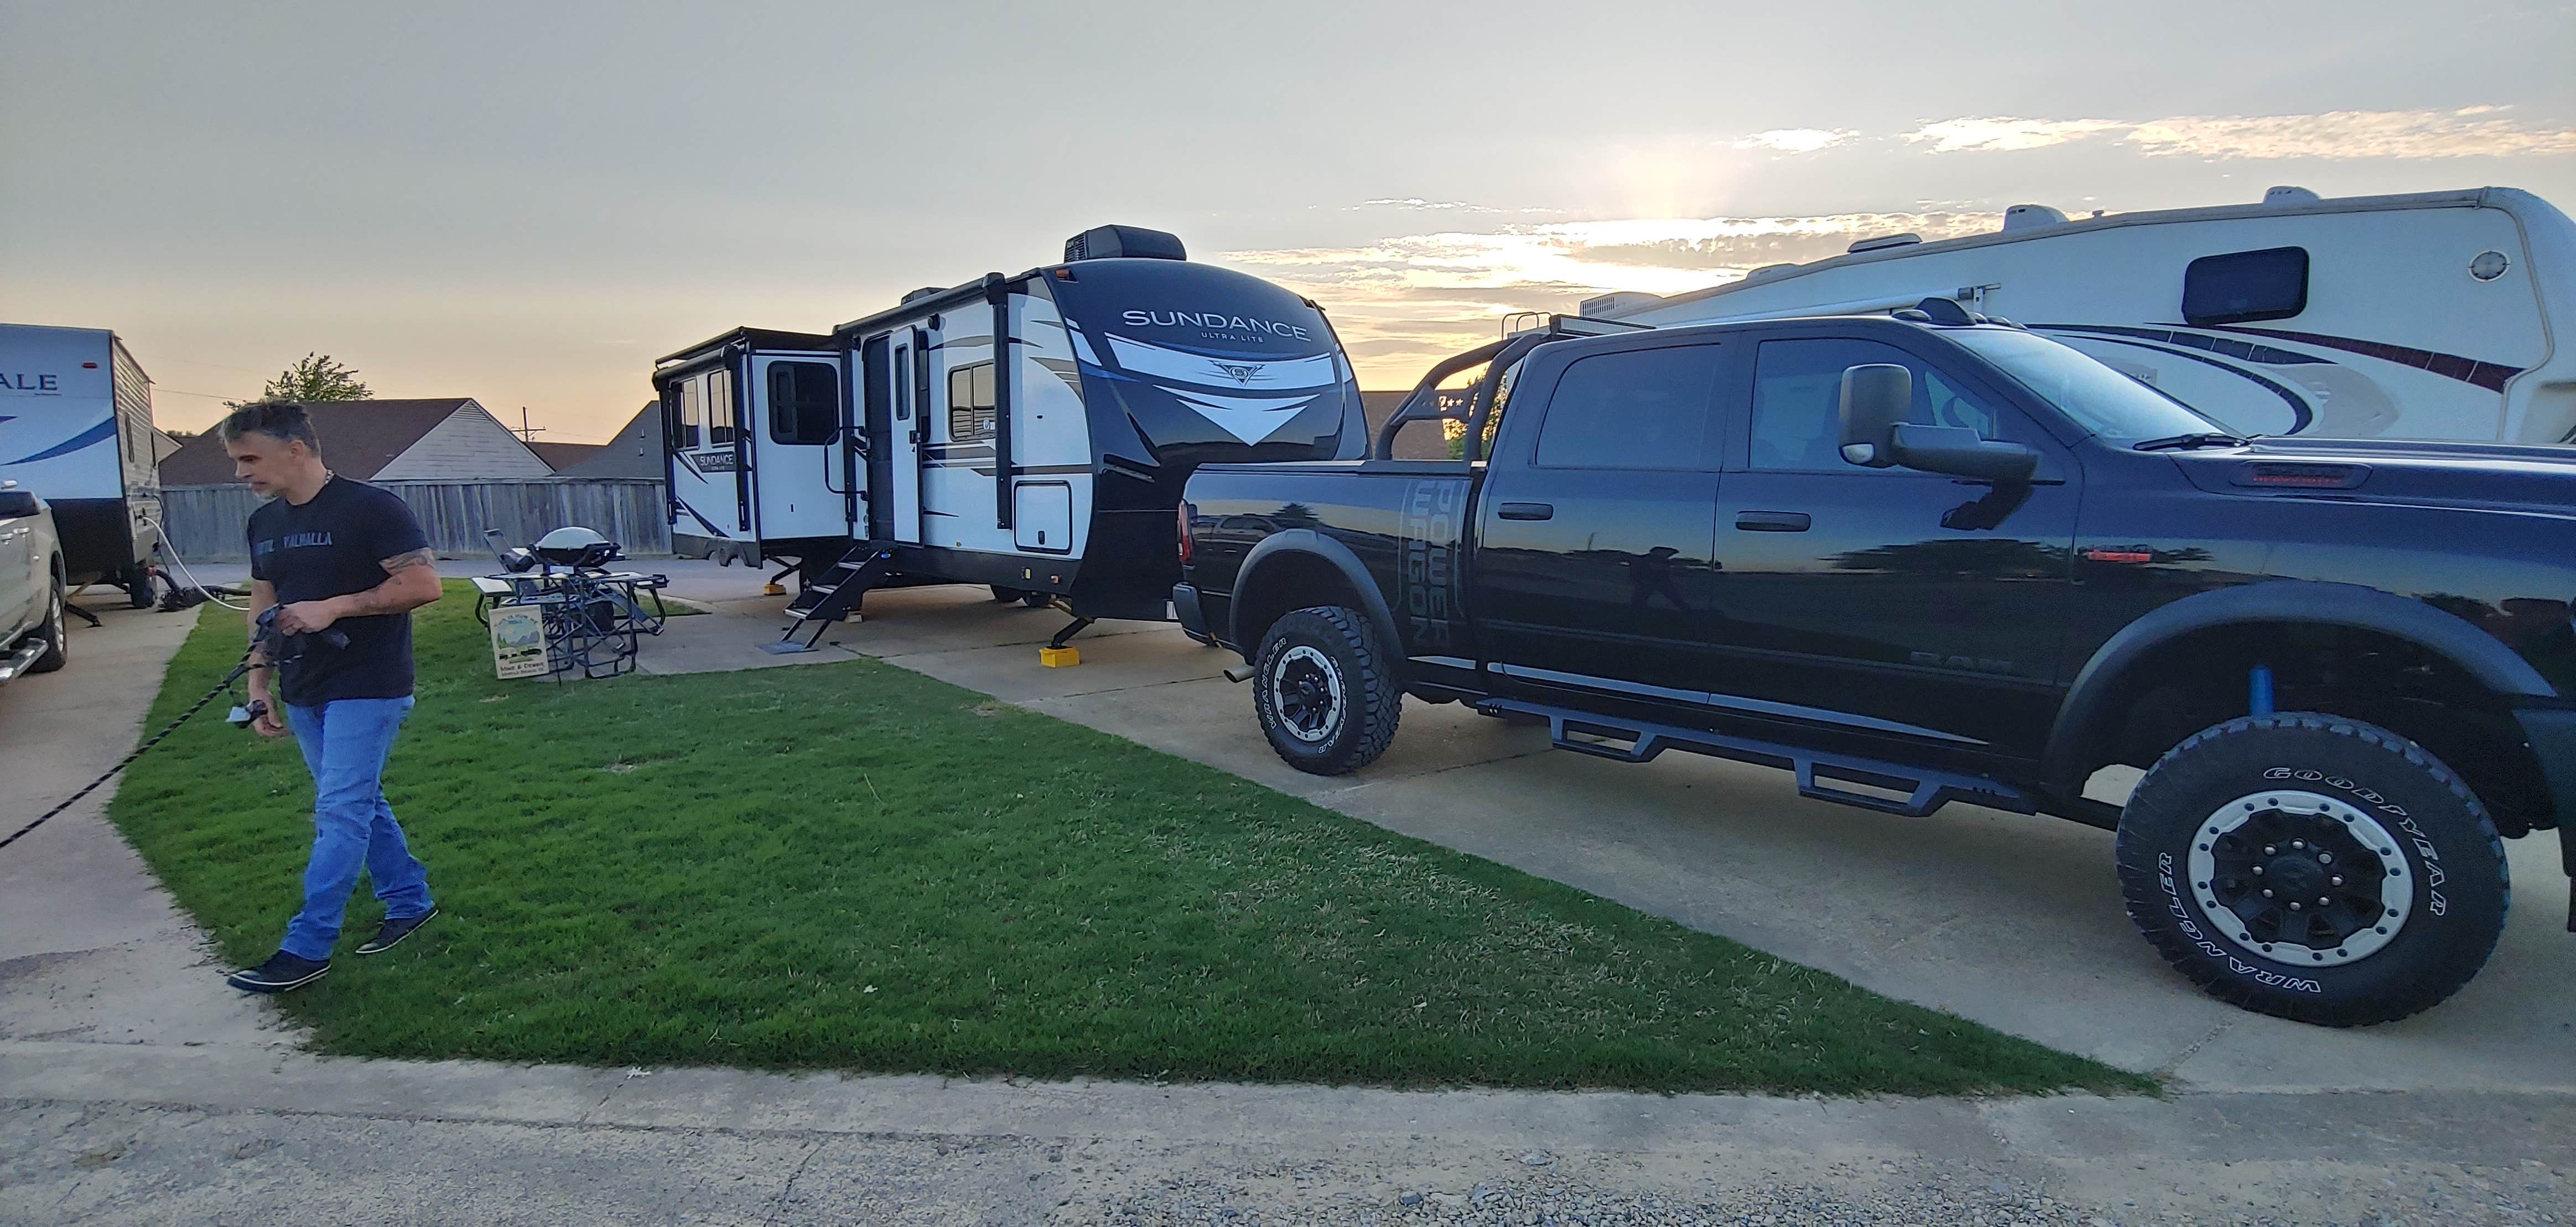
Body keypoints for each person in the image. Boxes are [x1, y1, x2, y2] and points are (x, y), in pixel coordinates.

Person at [220, 400, 446, 993]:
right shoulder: (264, 524)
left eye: (250, 458)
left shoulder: (371, 508)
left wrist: (336, 606)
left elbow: (424, 584)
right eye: (237, 461)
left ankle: (307, 946)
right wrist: (257, 687)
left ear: (295, 449)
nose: (241, 473)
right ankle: (410, 902)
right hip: (304, 687)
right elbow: (263, 605)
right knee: (359, 804)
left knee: (340, 813)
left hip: (369, 684)